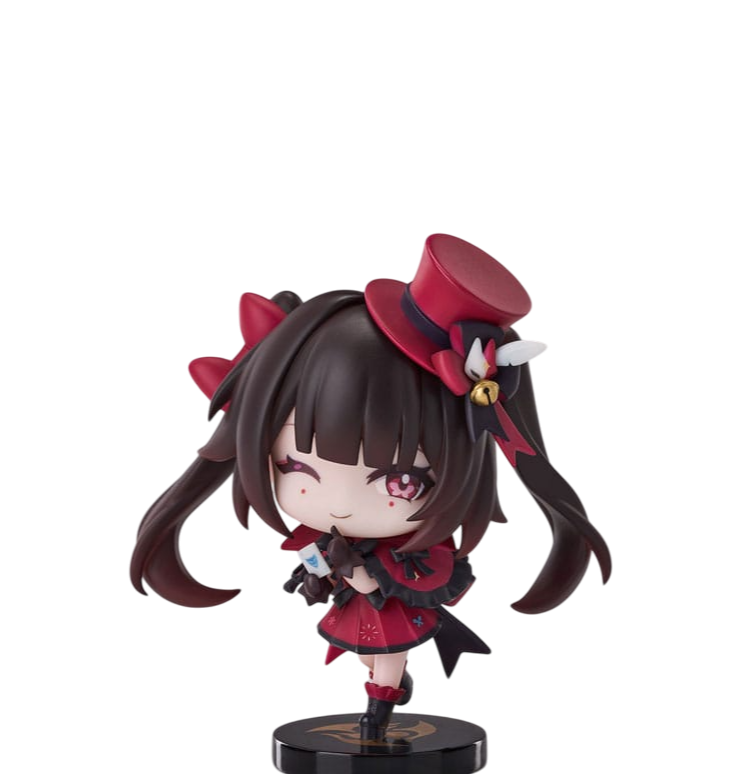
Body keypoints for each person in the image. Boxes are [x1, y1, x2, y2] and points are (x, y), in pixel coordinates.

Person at [131, 234, 610, 740]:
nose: (340, 504)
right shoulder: (326, 536)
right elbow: (329, 567)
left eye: (400, 481)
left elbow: (391, 583)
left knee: (387, 657)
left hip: (390, 603)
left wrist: (355, 573)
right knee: (366, 653)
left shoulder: (417, 554)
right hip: (356, 605)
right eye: (296, 466)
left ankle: (380, 708)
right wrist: (318, 572)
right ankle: (386, 691)